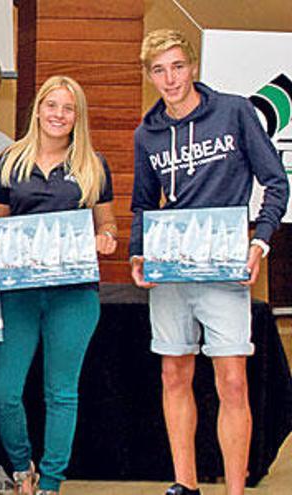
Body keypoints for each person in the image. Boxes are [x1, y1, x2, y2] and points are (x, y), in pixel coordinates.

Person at [129, 30, 289, 495]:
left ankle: (235, 490)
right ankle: (186, 484)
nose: (170, 78)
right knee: (174, 374)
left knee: (233, 381)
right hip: (172, 270)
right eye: (159, 70)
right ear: (149, 76)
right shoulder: (147, 132)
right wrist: (138, 253)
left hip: (225, 270)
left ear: (193, 66)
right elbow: (142, 204)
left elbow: (275, 182)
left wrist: (259, 244)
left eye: (177, 66)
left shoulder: (234, 111)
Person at [0, 76, 118, 495]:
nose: (58, 115)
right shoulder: (9, 161)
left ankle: (52, 482)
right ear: (38, 109)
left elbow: (108, 223)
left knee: (61, 392)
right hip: (19, 292)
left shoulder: (93, 165)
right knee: (3, 391)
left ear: (77, 116)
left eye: (68, 108)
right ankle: (22, 468)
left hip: (74, 295)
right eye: (52, 105)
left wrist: (107, 238)